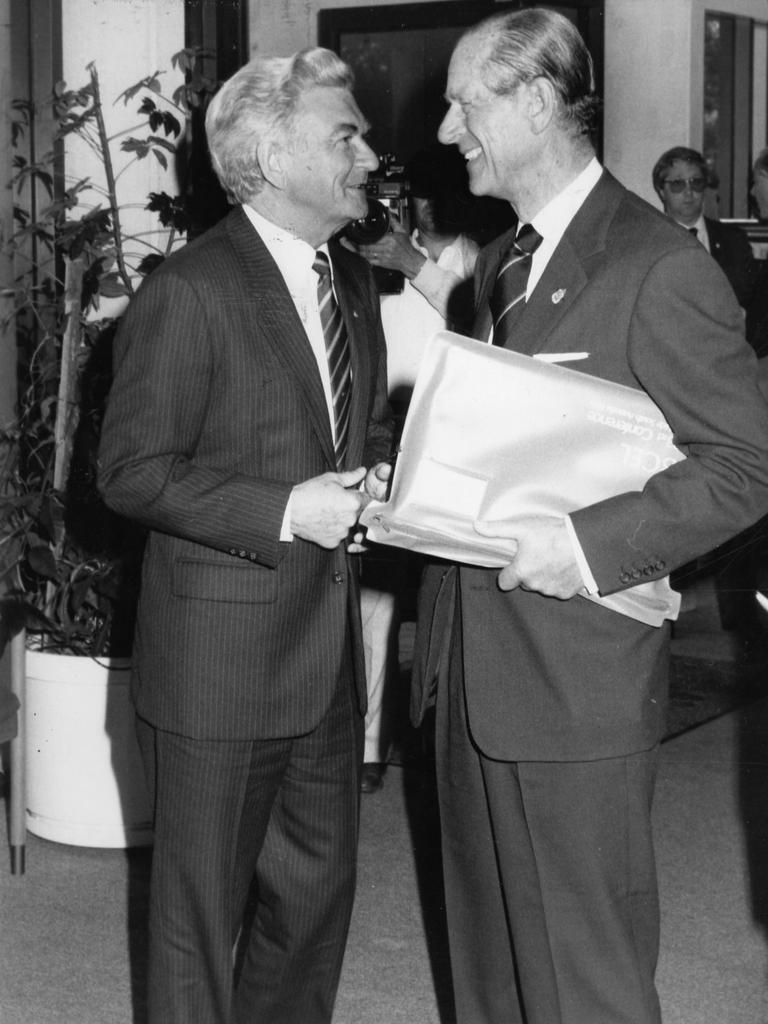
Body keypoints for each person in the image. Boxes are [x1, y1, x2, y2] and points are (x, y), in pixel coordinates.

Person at [410, 10, 768, 1024]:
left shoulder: (657, 264)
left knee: (583, 987)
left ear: (532, 101)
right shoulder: (498, 266)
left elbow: (746, 464)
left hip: (573, 686)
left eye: (463, 103)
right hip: (469, 673)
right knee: (489, 981)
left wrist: (580, 545)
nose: (445, 130)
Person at [97, 48, 393, 1024]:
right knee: (199, 927)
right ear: (271, 153)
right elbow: (129, 472)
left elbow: (334, 431)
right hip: (220, 666)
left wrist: (379, 479)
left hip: (327, 660)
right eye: (345, 133)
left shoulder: (349, 281)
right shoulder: (189, 290)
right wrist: (282, 509)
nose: (369, 152)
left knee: (314, 911)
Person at [344, 144, 479, 793]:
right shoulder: (375, 251)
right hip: (382, 436)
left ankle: (446, 740)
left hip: (452, 441)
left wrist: (412, 261)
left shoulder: (480, 256)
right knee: (374, 598)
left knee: (445, 597)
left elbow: (482, 315)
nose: (421, 208)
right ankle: (368, 745)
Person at [653, 145, 755, 307]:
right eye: (678, 184)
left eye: (696, 183)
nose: (689, 192)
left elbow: (751, 302)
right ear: (662, 191)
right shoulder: (650, 243)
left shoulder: (734, 241)